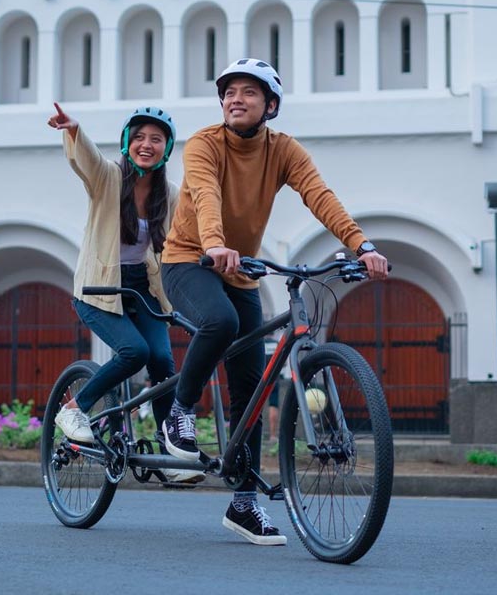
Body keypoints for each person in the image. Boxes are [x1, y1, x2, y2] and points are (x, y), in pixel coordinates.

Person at [159, 58, 389, 544]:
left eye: (248, 92)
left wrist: (361, 245)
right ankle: (179, 412)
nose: (235, 99)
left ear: (271, 106)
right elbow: (203, 194)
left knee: (252, 388)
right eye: (228, 92)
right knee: (218, 322)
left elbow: (318, 194)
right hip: (189, 260)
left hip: (239, 269)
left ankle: (243, 505)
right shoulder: (205, 142)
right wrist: (216, 243)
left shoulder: (284, 150)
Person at [47, 102, 203, 485]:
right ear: (126, 143)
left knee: (164, 364)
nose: (145, 145)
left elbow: (190, 232)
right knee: (134, 352)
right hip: (98, 288)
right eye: (138, 138)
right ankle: (74, 408)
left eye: (155, 139)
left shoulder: (169, 193)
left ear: (167, 148)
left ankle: (170, 455)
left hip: (141, 286)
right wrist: (74, 131)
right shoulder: (109, 179)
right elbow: (89, 161)